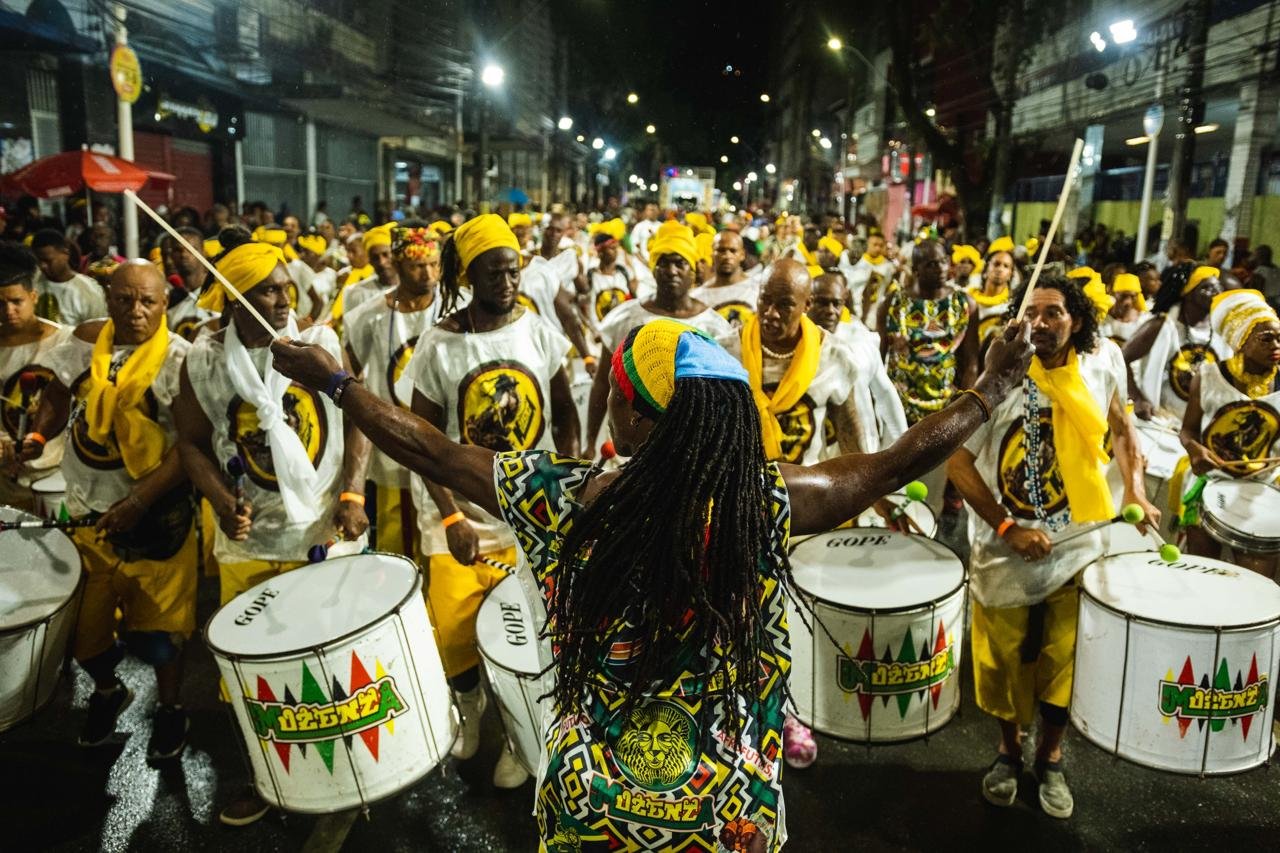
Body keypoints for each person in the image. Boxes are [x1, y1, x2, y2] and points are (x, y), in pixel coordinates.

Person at [267, 290, 1034, 850]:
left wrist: (338, 383)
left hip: (589, 805)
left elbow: (428, 448)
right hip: (726, 810)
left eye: (618, 395)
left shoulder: (559, 496)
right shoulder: (761, 501)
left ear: (634, 415)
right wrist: (990, 387)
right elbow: (895, 462)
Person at [172, 240, 368, 827]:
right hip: (248, 543)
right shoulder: (203, 359)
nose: (283, 299)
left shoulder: (320, 345)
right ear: (233, 299)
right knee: (253, 676)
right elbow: (191, 443)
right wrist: (218, 497)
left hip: (325, 533)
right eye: (265, 290)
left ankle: (349, 775)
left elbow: (358, 414)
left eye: (284, 286)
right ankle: (268, 778)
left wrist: (354, 494)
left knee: (334, 666)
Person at [947, 274, 1158, 821]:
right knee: (999, 663)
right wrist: (1007, 528)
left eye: (1053, 314)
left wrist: (1135, 487)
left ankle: (1053, 757)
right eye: (1031, 314)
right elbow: (959, 463)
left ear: (1078, 320)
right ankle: (1008, 752)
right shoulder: (1000, 378)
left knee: (1066, 656)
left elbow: (1122, 426)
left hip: (1081, 540)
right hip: (1005, 548)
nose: (1040, 325)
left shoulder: (1105, 360)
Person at [406, 213, 579, 788]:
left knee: (527, 635)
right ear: (469, 275)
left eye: (514, 270)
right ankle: (470, 706)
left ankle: (518, 733)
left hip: (530, 517)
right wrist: (452, 513)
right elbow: (422, 443)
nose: (508, 282)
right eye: (495, 273)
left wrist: (569, 490)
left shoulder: (538, 333)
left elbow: (568, 418)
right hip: (459, 518)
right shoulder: (438, 345)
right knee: (455, 633)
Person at [22, 260, 195, 759]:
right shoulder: (81, 344)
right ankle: (108, 690)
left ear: (165, 304)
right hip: (84, 513)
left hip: (156, 518)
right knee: (82, 633)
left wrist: (139, 501)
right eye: (124, 299)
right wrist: (37, 436)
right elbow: (57, 396)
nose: (135, 311)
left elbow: (189, 447)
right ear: (108, 298)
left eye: (148, 302)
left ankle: (170, 709)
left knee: (161, 637)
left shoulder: (180, 359)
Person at [584, 221, 734, 454]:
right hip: (629, 448)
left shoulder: (714, 328)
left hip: (688, 452)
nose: (671, 270)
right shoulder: (624, 318)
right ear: (653, 268)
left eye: (680, 263)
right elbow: (603, 383)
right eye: (663, 262)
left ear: (692, 270)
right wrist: (590, 441)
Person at [342, 227, 447, 556]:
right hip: (391, 447)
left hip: (443, 448)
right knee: (397, 549)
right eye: (418, 266)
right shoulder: (368, 316)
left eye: (433, 264)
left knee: (443, 546)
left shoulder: (455, 309)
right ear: (399, 265)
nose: (428, 273)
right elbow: (348, 382)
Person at [1178, 289, 1280, 578]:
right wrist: (1194, 449)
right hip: (1210, 485)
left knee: (1256, 585)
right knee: (1203, 576)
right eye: (1266, 338)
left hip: (1263, 489)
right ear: (1240, 340)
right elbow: (1188, 430)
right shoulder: (1208, 377)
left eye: (1279, 336)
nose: (1276, 345)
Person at [0, 241, 72, 506]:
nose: (9, 311)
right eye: (0, 304)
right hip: (6, 479)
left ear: (33, 297)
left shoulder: (66, 340)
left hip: (59, 474)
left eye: (16, 301)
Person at [878, 239, 978, 424]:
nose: (940, 268)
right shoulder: (893, 303)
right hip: (898, 403)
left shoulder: (964, 303)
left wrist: (964, 404)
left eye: (942, 261)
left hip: (946, 403)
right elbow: (878, 357)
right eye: (931, 264)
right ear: (916, 269)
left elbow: (971, 360)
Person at [808, 270, 908, 451]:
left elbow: (885, 394)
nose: (830, 311)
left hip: (862, 446)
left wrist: (903, 447)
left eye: (836, 303)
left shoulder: (860, 339)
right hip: (812, 451)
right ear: (807, 302)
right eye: (822, 302)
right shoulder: (791, 345)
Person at [1124, 265, 1227, 422]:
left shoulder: (1223, 331)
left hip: (1201, 425)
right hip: (1159, 421)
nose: (1216, 292)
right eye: (1206, 287)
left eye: (1218, 287)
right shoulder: (1161, 325)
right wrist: (1138, 399)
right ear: (1188, 292)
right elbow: (1121, 358)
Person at [29, 229, 108, 327]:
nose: (42, 266)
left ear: (65, 254)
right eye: (39, 261)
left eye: (48, 260)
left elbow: (97, 331)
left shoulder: (88, 290)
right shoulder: (31, 284)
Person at [690, 230, 758, 328]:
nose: (727, 256)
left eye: (733, 250)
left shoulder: (758, 290)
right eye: (721, 250)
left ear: (742, 254)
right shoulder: (697, 297)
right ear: (712, 254)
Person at [165, 226, 216, 342]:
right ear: (172, 255)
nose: (184, 255)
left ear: (203, 252)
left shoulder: (219, 291)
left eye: (190, 249)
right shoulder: (169, 300)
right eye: (178, 250)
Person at [838, 228, 895, 328]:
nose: (877, 248)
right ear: (867, 244)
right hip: (850, 308)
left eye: (881, 246)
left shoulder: (888, 267)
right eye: (874, 245)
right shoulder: (858, 261)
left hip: (872, 312)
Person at [969, 247, 1015, 347]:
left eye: (1006, 266)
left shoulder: (1011, 306)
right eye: (996, 264)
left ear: (1010, 274)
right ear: (986, 269)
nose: (1000, 269)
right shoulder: (968, 299)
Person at [1099, 272, 1149, 344]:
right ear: (1113, 294)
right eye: (1123, 296)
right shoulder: (1102, 317)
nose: (1127, 302)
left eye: (1132, 296)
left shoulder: (1143, 320)